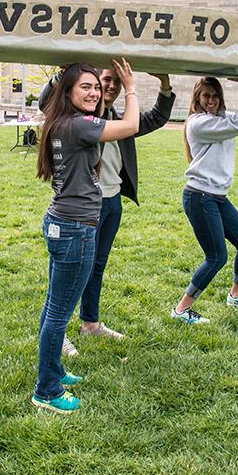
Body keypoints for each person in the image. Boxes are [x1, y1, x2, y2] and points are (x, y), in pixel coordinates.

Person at [40, 69, 175, 353]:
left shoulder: (116, 117)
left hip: (111, 202)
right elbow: (46, 103)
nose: (109, 86)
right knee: (68, 274)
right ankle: (57, 332)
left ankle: (90, 323)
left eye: (115, 81)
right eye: (105, 80)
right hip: (83, 207)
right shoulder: (81, 119)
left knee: (95, 267)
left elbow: (157, 117)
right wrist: (61, 76)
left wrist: (164, 84)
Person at [33, 60, 140, 414]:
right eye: (86, 87)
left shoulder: (63, 121)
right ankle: (46, 390)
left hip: (61, 223)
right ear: (68, 91)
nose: (94, 92)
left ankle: (55, 372)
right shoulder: (79, 125)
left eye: (97, 87)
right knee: (58, 315)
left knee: (54, 308)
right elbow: (131, 125)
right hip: (75, 229)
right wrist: (131, 86)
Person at [171, 77, 238, 325]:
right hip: (200, 197)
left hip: (218, 197)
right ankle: (181, 309)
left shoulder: (223, 119)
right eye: (206, 96)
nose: (211, 100)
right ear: (197, 99)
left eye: (215, 95)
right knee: (216, 257)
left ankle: (236, 295)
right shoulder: (198, 123)